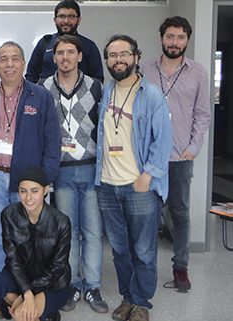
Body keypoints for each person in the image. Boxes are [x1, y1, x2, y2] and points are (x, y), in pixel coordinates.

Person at [0, 40, 61, 317]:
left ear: (23, 64)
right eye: (3, 59)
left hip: (29, 184)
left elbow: (52, 142)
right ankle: (4, 295)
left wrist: (45, 181)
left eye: (15, 59)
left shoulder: (41, 96)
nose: (9, 64)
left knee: (30, 241)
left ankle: (29, 295)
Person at [96, 35, 172, 321]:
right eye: (112, 55)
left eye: (124, 54)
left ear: (136, 58)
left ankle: (141, 302)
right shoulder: (107, 91)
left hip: (138, 186)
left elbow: (163, 141)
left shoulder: (151, 95)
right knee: (119, 249)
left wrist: (147, 176)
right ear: (107, 61)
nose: (118, 60)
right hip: (107, 185)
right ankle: (127, 297)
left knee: (143, 249)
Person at [140, 16, 212, 293]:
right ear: (161, 38)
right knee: (148, 215)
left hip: (180, 158)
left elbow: (203, 114)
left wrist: (193, 149)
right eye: (170, 36)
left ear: (187, 40)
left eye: (181, 37)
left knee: (180, 214)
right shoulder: (144, 69)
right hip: (149, 158)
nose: (175, 42)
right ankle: (145, 268)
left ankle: (180, 268)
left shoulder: (199, 72)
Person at [38, 35, 108, 313]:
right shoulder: (42, 89)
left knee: (93, 232)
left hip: (91, 168)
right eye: (60, 53)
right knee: (69, 233)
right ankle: (73, 285)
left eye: (70, 52)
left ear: (80, 56)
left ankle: (92, 286)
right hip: (62, 172)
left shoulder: (97, 87)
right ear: (53, 58)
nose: (65, 57)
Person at [0, 166, 71, 321]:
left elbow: (57, 268)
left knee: (21, 316)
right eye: (23, 191)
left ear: (46, 189)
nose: (28, 197)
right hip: (21, 277)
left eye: (34, 191)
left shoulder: (61, 221)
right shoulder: (9, 215)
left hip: (51, 283)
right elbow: (12, 259)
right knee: (1, 281)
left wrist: (27, 295)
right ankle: (46, 314)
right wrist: (26, 293)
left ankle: (34, 309)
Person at [25, 0, 104, 84]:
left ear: (79, 20)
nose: (66, 21)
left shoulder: (89, 46)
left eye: (71, 16)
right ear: (55, 20)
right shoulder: (44, 43)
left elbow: (97, 81)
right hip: (47, 96)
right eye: (62, 16)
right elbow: (31, 76)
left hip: (80, 96)